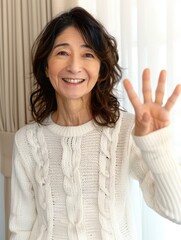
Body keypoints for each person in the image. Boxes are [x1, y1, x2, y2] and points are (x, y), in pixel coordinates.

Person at [9, 6, 181, 240]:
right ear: (45, 67)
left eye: (88, 54)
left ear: (101, 69)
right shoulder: (27, 141)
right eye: (62, 53)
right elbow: (21, 228)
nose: (74, 66)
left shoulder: (126, 130)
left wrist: (156, 145)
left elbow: (177, 210)